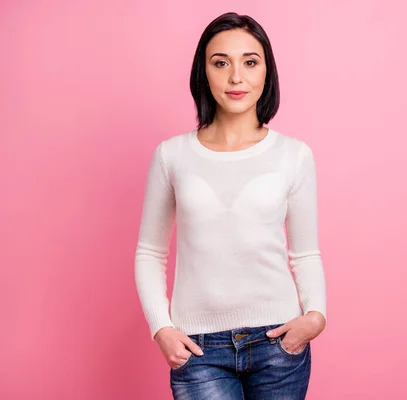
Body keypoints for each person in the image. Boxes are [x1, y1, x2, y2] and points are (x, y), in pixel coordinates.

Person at [134, 11, 327, 400]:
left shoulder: (294, 155)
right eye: (221, 63)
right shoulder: (172, 155)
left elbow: (305, 254)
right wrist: (162, 328)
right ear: (203, 72)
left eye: (250, 62)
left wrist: (315, 317)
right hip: (199, 350)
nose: (236, 77)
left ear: (266, 73)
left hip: (279, 344)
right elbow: (149, 252)